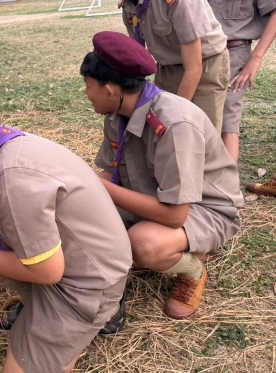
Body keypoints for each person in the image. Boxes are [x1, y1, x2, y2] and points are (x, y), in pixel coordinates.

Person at [0, 103, 132, 373]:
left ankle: (90, 318)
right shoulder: (8, 145)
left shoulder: (12, 178)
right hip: (82, 257)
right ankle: (39, 307)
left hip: (87, 285)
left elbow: (48, 271)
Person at [80, 31, 244, 320]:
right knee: (82, 217)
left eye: (88, 85)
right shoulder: (117, 113)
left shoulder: (173, 123)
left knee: (142, 245)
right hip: (154, 194)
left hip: (205, 208)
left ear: (109, 89)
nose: (85, 93)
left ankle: (193, 269)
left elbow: (174, 215)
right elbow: (109, 172)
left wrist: (101, 188)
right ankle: (179, 245)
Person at [120, 0, 230, 132]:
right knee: (162, 131)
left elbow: (194, 68)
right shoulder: (129, 4)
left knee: (200, 133)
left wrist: (177, 117)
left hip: (205, 64)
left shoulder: (181, 2)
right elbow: (137, 55)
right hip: (167, 66)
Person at [208, 0, 276, 163]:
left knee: (228, 120)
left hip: (233, 52)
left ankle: (228, 186)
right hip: (193, 53)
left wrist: (256, 58)